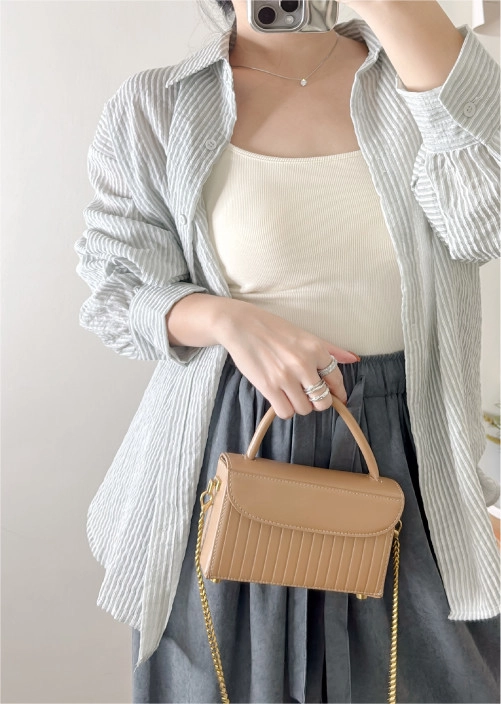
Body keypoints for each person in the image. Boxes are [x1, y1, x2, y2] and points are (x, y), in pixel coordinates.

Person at [74, 0, 501, 701]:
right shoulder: (159, 105)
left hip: (407, 451)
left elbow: (483, 222)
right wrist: (223, 319)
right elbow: (117, 288)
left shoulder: (414, 80)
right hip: (234, 447)